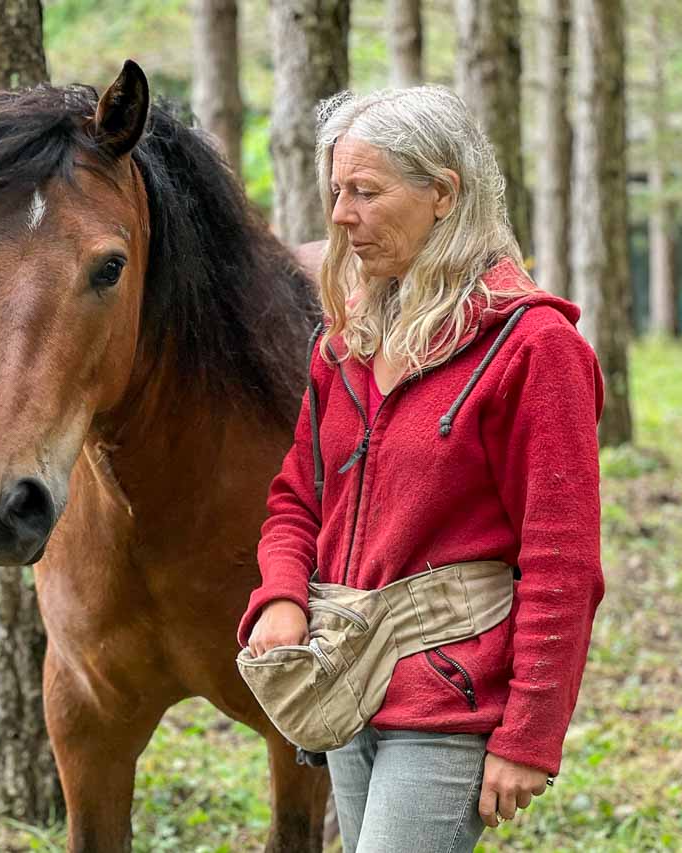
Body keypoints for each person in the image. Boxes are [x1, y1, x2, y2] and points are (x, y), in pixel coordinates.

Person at [237, 86, 605, 852]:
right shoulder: (347, 342)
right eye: (337, 190)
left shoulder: (537, 349)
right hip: (343, 676)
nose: (340, 214)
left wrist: (529, 734)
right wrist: (280, 598)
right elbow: (295, 501)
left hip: (450, 699)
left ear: (442, 192)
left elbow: (562, 563)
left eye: (365, 191)